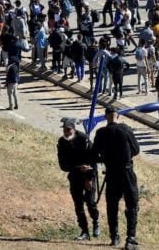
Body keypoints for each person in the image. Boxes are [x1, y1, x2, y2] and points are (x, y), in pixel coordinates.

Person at [92, 105, 140, 249]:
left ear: (106, 116)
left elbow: (94, 154)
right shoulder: (126, 129)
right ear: (117, 116)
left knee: (112, 206)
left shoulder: (101, 133)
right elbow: (136, 150)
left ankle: (114, 236)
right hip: (126, 171)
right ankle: (131, 237)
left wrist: (105, 158)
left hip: (111, 173)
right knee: (132, 205)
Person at [57, 118, 100, 241]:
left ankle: (96, 222)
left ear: (74, 130)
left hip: (88, 175)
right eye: (65, 130)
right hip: (75, 176)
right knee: (78, 205)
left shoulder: (84, 140)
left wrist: (90, 178)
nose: (66, 133)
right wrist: (77, 168)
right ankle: (84, 231)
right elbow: (63, 165)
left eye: (69, 130)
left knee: (91, 202)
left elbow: (93, 160)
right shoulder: (62, 143)